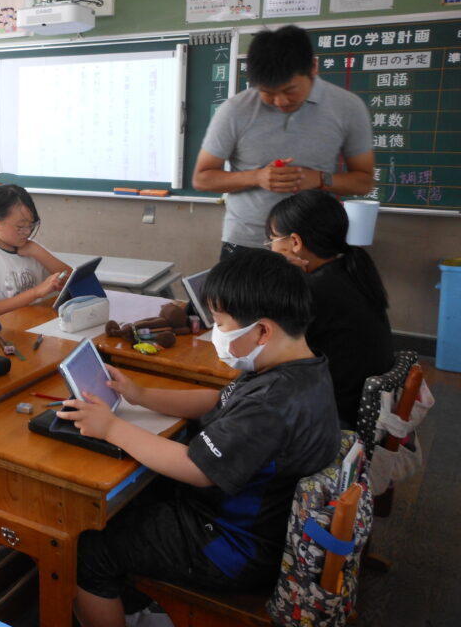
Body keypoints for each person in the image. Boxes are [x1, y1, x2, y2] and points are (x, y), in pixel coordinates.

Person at [57, 249, 340, 627]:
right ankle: (133, 603)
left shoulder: (271, 404)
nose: (215, 333)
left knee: (87, 549)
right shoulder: (296, 367)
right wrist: (140, 395)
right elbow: (217, 400)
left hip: (232, 546)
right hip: (248, 524)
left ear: (262, 331)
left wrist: (111, 428)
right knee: (130, 503)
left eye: (220, 323)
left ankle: (121, 600)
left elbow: (197, 468)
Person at [192, 24, 375, 259]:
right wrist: (257, 177)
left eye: (290, 91)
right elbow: (202, 178)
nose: (280, 102)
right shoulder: (235, 110)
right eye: (268, 93)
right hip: (247, 243)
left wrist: (320, 180)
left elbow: (363, 182)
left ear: (313, 68)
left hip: (314, 248)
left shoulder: (348, 107)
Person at [266, 189, 394, 427]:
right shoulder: (349, 268)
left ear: (295, 242)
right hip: (359, 405)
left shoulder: (315, 289)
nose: (271, 247)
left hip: (333, 415)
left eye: (273, 238)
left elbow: (268, 351)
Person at [0, 184, 69, 315]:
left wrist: (38, 251)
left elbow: (70, 279)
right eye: (20, 227)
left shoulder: (30, 247)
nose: (27, 232)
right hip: (4, 326)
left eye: (31, 225)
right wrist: (35, 293)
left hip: (32, 320)